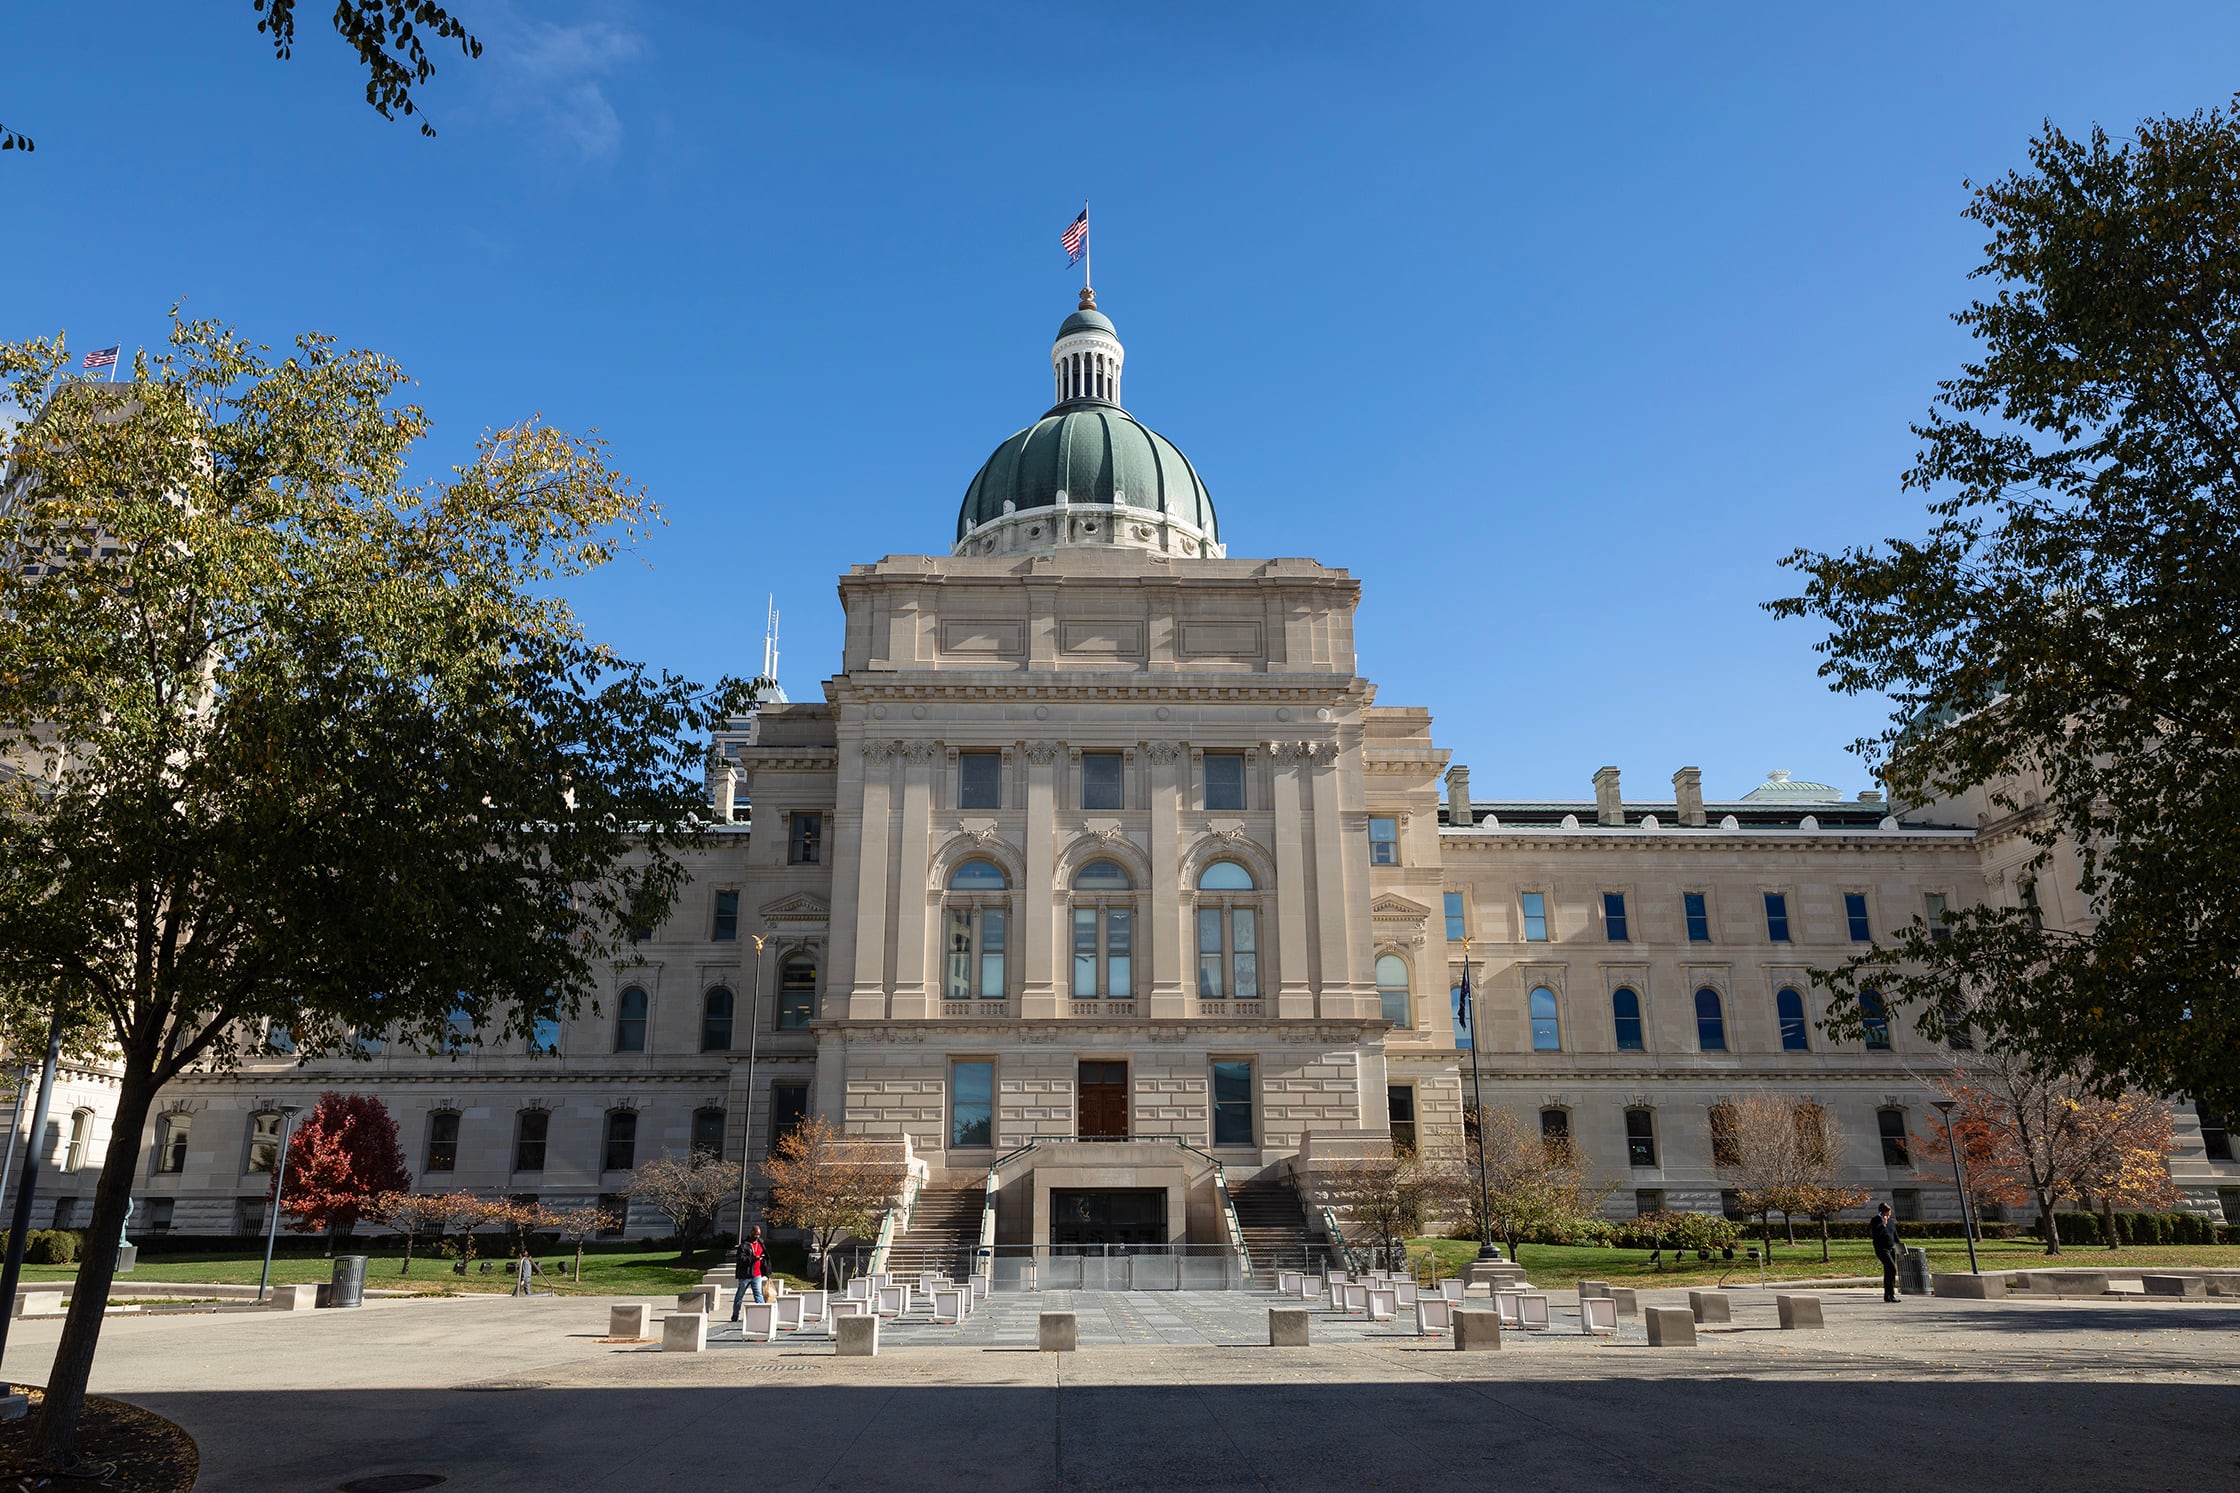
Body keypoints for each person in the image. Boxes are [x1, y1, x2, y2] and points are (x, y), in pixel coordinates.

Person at [730, 1226, 767, 1321]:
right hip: (746, 1274)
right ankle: (735, 1314)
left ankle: (764, 1313)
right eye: (755, 1234)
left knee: (758, 1294)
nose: (757, 1236)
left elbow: (765, 1256)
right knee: (740, 1294)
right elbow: (741, 1259)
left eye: (759, 1234)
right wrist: (754, 1258)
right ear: (751, 1233)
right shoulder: (744, 1245)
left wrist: (766, 1270)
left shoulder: (760, 1243)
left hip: (757, 1274)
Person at [1870, 1201, 1904, 1302]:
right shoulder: (1875, 1220)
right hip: (1881, 1249)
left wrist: (1901, 1250)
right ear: (1883, 1212)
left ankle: (1888, 1295)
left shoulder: (1891, 1221)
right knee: (1892, 1269)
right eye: (1888, 1212)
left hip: (1891, 1249)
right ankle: (1891, 1294)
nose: (1889, 1214)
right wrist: (1883, 1224)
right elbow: (1875, 1234)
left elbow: (1895, 1236)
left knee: (1889, 1272)